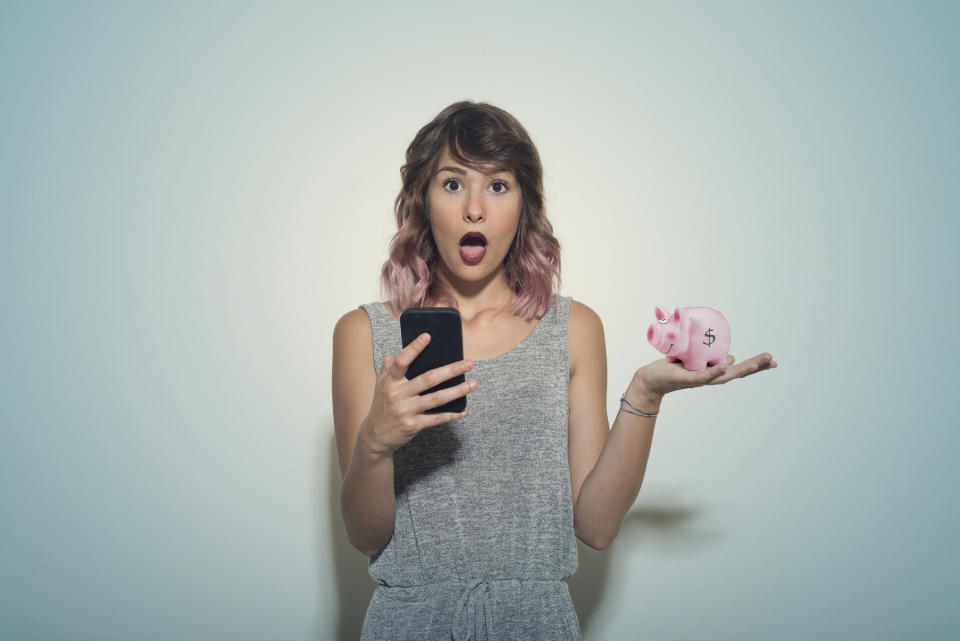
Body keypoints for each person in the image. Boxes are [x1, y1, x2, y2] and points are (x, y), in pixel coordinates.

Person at [331, 100, 777, 640]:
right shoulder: (366, 334)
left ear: (524, 204)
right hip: (409, 624)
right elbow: (365, 535)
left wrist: (647, 395)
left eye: (498, 186)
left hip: (537, 625)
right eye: (452, 184)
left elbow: (596, 527)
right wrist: (376, 442)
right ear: (423, 201)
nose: (475, 208)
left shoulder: (574, 327)